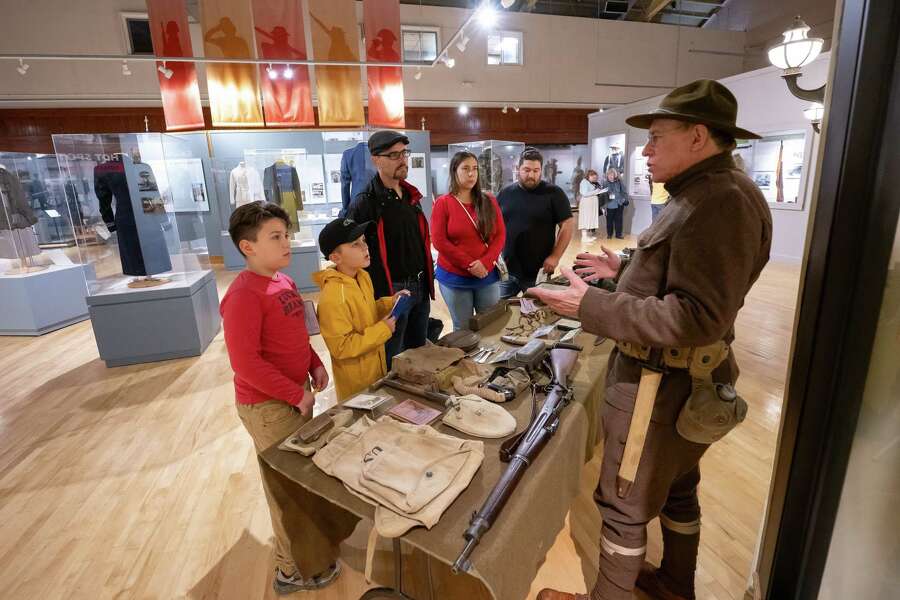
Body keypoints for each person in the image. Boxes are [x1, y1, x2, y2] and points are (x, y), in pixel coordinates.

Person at [530, 80, 772, 600]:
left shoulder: (719, 202)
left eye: (658, 136)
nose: (645, 149)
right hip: (682, 384)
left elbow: (696, 316)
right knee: (680, 489)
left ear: (699, 137)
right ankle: (673, 584)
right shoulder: (708, 194)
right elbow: (687, 279)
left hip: (658, 388)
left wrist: (588, 306)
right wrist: (628, 269)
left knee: (623, 505)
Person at [220, 202, 358, 595]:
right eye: (275, 237)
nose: (287, 243)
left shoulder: (285, 282)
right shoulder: (244, 294)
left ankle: (311, 550)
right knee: (284, 488)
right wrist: (293, 394)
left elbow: (299, 334)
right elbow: (245, 363)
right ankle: (289, 569)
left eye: (286, 234)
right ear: (248, 247)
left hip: (293, 394)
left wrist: (314, 363)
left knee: (301, 481)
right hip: (267, 406)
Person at [347, 130, 433, 368]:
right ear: (376, 160)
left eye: (404, 153)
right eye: (394, 155)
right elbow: (350, 250)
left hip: (420, 285)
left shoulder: (409, 194)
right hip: (390, 291)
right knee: (391, 357)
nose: (402, 160)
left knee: (419, 353)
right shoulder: (365, 202)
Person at [313, 218, 408, 400]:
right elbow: (341, 347)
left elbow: (368, 310)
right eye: (355, 244)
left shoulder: (362, 276)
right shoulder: (333, 297)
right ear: (335, 257)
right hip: (356, 383)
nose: (365, 247)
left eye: (363, 240)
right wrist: (383, 329)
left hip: (375, 366)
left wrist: (390, 302)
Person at [431, 151, 506, 330]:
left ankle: (486, 359)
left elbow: (500, 235)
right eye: (465, 169)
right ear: (454, 171)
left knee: (490, 325)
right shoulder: (444, 203)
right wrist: (470, 264)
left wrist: (486, 263)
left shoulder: (489, 201)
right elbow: (439, 241)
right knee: (463, 329)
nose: (471, 174)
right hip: (455, 278)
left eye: (475, 169)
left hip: (487, 276)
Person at [497, 147, 574, 298]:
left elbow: (567, 225)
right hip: (507, 271)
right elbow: (495, 226)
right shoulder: (505, 194)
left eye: (536, 170)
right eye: (526, 170)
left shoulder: (554, 193)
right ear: (517, 169)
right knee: (500, 314)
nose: (531, 175)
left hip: (538, 271)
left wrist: (555, 257)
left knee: (536, 315)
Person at [601, 167, 628, 239]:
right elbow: (603, 195)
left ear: (615, 175)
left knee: (619, 220)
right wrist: (603, 206)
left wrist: (624, 200)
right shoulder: (605, 183)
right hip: (609, 205)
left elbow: (624, 192)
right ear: (607, 175)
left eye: (612, 175)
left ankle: (618, 234)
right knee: (609, 221)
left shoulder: (619, 182)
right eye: (609, 175)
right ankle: (609, 234)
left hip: (619, 204)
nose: (610, 176)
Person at [578, 169, 603, 241]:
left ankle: (587, 236)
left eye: (596, 178)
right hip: (586, 204)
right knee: (585, 218)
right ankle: (584, 237)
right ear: (589, 176)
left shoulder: (590, 182)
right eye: (594, 178)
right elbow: (585, 194)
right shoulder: (584, 182)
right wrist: (596, 191)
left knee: (589, 219)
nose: (595, 179)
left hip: (591, 204)